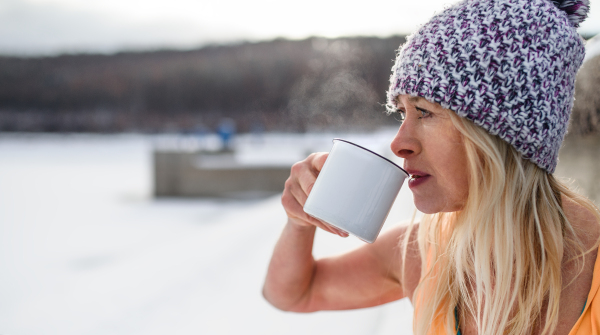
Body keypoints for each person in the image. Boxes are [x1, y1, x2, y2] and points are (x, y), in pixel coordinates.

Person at [263, 0, 600, 334]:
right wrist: (299, 222)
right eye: (402, 113)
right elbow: (293, 293)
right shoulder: (423, 254)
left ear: (502, 131)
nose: (398, 144)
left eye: (424, 111)